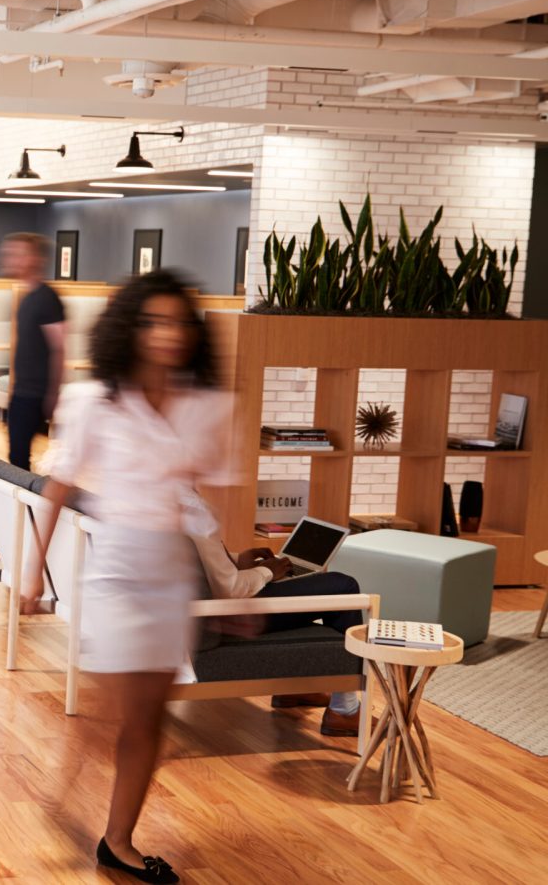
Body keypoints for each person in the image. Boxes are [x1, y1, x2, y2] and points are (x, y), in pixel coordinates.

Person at [28, 272, 236, 885]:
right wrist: (35, 570)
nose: (168, 334)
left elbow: (207, 497)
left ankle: (117, 841)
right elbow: (59, 483)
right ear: (130, 329)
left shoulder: (203, 406)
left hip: (171, 574)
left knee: (149, 722)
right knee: (115, 714)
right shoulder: (95, 400)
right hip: (116, 573)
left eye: (178, 322)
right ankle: (72, 785)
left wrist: (233, 586)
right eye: (153, 322)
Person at [191, 536, 364, 736]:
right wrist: (267, 572)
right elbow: (232, 588)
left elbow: (208, 562)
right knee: (344, 586)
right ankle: (345, 710)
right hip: (232, 616)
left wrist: (238, 560)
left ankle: (297, 686)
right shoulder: (197, 523)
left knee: (303, 582)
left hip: (215, 613)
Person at [4, 232, 66, 472]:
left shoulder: (47, 299)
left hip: (35, 394)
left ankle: (28, 498)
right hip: (22, 391)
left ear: (35, 259)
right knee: (17, 457)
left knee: (19, 460)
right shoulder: (27, 298)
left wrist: (53, 394)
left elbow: (59, 348)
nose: (10, 259)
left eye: (17, 254)